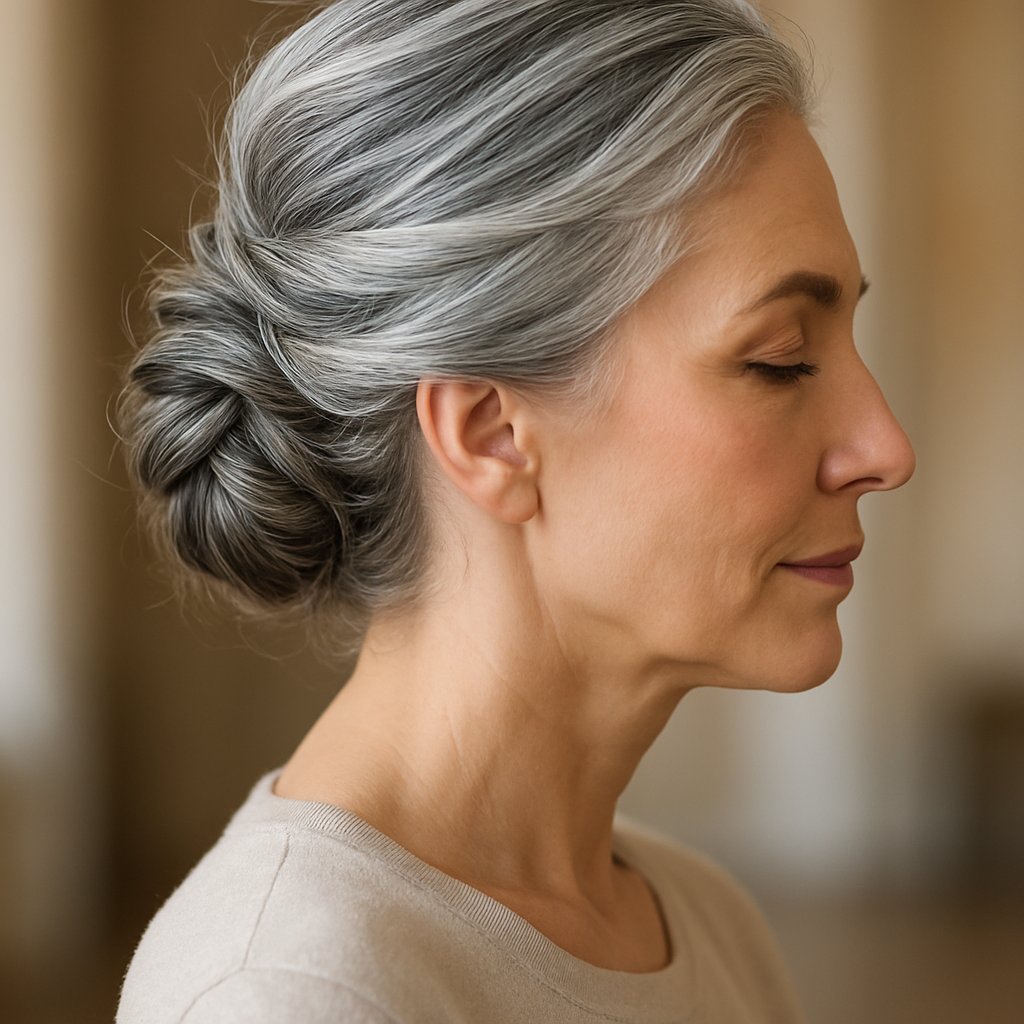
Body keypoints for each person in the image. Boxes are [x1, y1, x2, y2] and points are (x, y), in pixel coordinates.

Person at [115, 1, 916, 1021]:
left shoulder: (703, 923)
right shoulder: (292, 992)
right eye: (780, 360)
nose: (885, 448)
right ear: (491, 433)